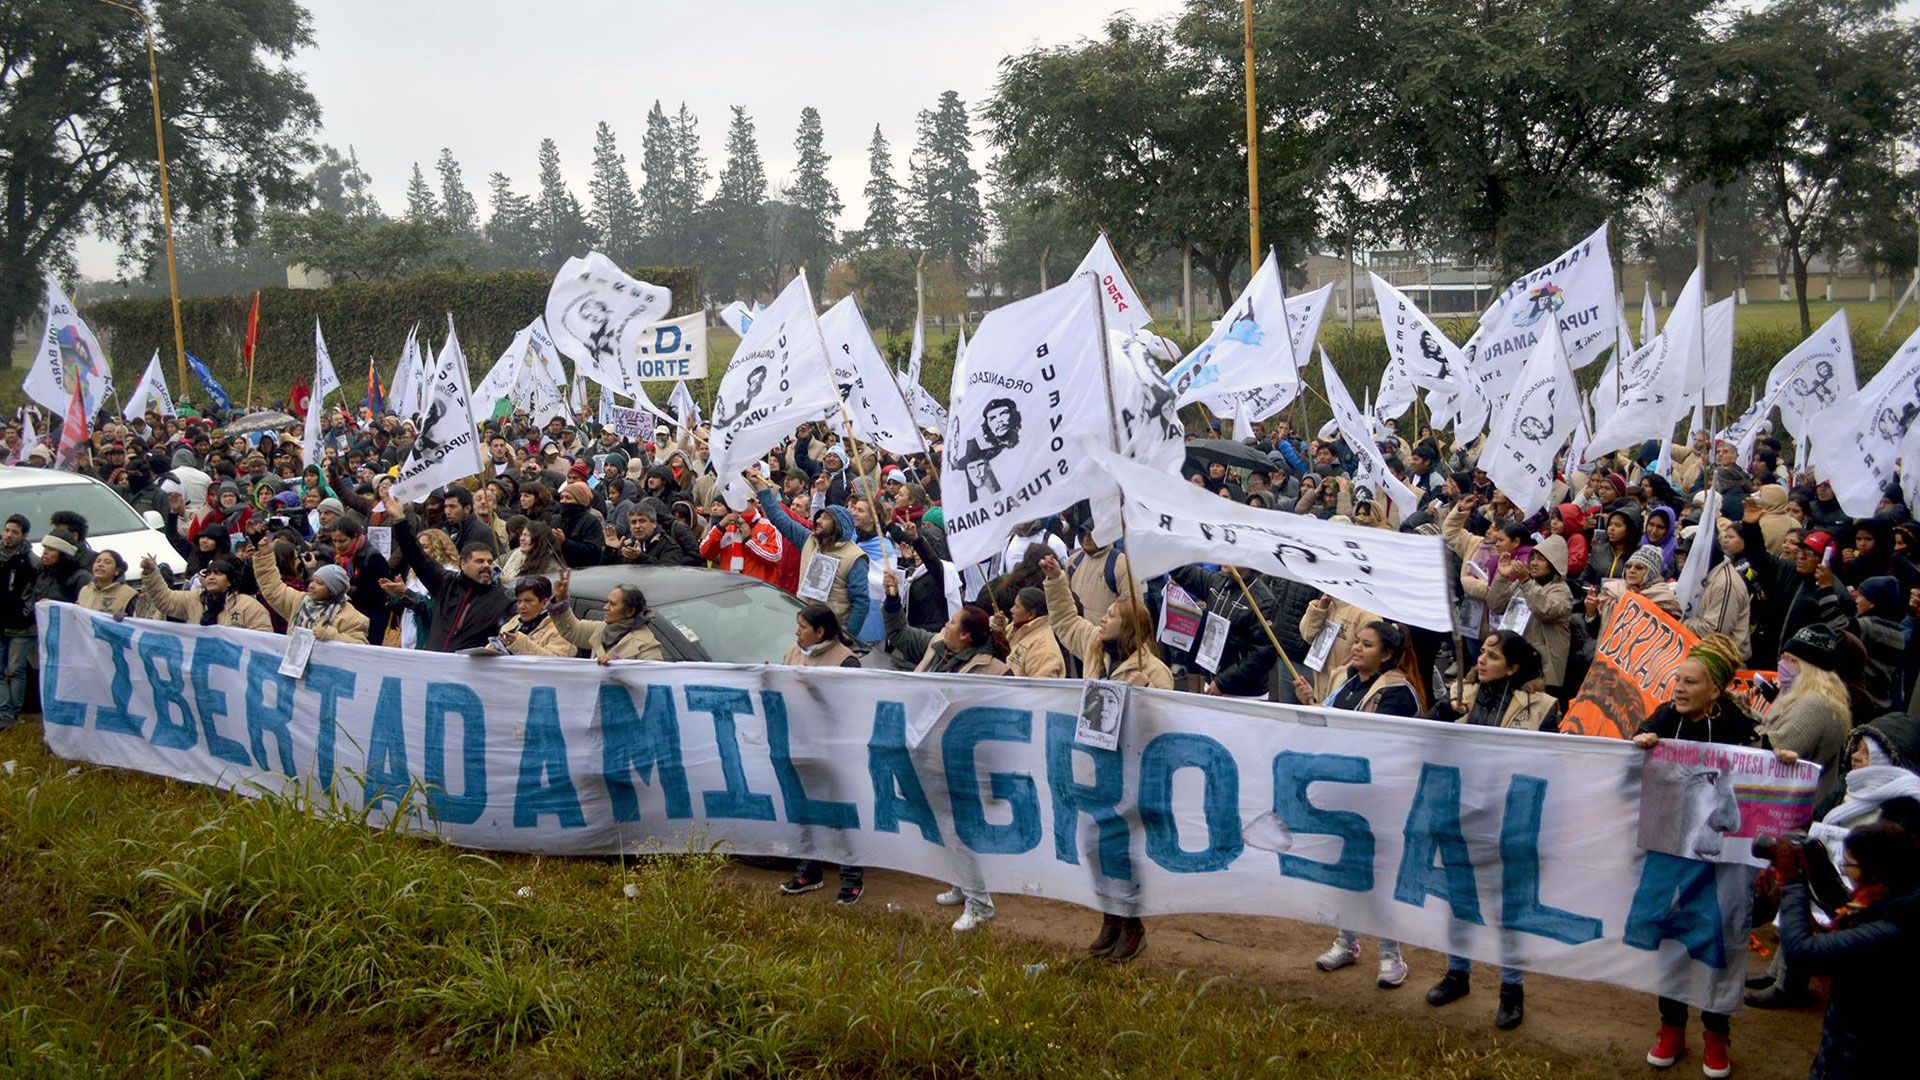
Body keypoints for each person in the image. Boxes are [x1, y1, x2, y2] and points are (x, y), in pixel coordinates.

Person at [1631, 633, 1763, 1078]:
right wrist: (1643, 741)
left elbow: (1763, 783)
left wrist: (1782, 761)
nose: (1679, 689)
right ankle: (1670, 1028)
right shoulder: (1666, 716)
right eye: (1677, 680)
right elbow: (1633, 749)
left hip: (1718, 859)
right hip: (1670, 852)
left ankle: (1715, 1034)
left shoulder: (1740, 727)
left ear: (1717, 691)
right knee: (1671, 939)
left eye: (1690, 682)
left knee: (1717, 943)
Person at [1037, 551, 1169, 961]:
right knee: (1093, 846)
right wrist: (1057, 580)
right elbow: (1064, 622)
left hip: (1130, 774)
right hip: (1095, 768)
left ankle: (1133, 925)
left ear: (1128, 627)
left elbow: (1165, 726)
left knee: (1122, 850)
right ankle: (1109, 918)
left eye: (1111, 615)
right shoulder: (1094, 649)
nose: (1102, 619)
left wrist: (1148, 698)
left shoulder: (1154, 671)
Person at [1294, 620, 1427, 989]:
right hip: (1346, 794)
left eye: (1366, 645)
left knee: (1379, 876)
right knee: (1347, 870)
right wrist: (1313, 706)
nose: (1356, 649)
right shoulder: (1346, 682)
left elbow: (1377, 744)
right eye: (1356, 642)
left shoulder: (1398, 692)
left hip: (1382, 798)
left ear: (1386, 655)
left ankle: (1391, 955)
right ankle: (1346, 941)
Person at [1773, 820, 1920, 1080]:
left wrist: (1793, 880)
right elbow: (1850, 907)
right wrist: (1818, 867)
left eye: (1848, 865)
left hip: (1865, 1056)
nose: (1846, 871)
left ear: (1873, 871)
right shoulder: (1899, 895)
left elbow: (1801, 952)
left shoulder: (1892, 929)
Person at [776, 602, 868, 905]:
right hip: (800, 745)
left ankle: (852, 877)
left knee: (841, 814)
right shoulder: (793, 652)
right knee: (806, 810)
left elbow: (851, 709)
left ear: (821, 631)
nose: (796, 632)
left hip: (835, 750)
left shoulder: (846, 661)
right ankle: (809, 870)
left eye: (802, 627)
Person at [749, 471, 870, 632]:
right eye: (818, 517)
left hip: (833, 632)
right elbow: (779, 518)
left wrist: (848, 636)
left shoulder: (855, 558)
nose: (818, 521)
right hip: (804, 626)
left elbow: (861, 603)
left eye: (825, 518)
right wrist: (761, 487)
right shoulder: (809, 540)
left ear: (838, 524)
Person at [382, 509, 512, 653]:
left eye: (489, 561)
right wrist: (400, 519)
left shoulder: (502, 597)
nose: (487, 565)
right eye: (480, 561)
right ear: (463, 564)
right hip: (434, 664)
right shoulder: (446, 583)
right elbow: (416, 556)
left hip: (469, 671)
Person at [1761, 624, 1854, 807]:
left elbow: (1776, 746)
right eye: (1783, 658)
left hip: (1791, 807)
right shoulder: (1799, 691)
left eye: (1792, 660)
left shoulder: (1815, 704)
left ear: (1811, 667)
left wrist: (1741, 722)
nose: (1783, 665)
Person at [1487, 534, 1574, 693]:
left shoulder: (1561, 590)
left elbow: (1546, 611)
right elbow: (1496, 605)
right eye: (1532, 557)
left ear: (1553, 563)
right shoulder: (1524, 583)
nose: (1533, 562)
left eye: (1540, 559)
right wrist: (1502, 576)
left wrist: (1526, 582)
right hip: (1516, 659)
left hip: (1542, 669)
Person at [250, 541, 369, 641]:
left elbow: (359, 649)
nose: (312, 586)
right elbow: (273, 589)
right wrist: (265, 557)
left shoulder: (353, 618)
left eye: (320, 583)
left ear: (334, 589)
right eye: (312, 581)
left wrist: (332, 636)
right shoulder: (299, 601)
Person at [546, 570, 663, 663]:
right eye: (607, 602)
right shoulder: (601, 629)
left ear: (630, 611)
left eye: (612, 604)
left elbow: (651, 681)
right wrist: (560, 600)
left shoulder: (647, 645)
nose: (605, 607)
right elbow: (571, 630)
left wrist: (620, 667)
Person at [136, 553, 271, 630]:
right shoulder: (193, 598)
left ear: (229, 581)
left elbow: (262, 639)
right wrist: (152, 573)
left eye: (218, 574)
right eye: (209, 574)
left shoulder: (248, 606)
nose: (211, 577)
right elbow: (165, 599)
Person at [0, 515, 37, 729]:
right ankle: (4, 713)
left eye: (15, 532)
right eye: (7, 530)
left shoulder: (31, 560)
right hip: (1, 622)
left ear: (23, 535)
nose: (9, 535)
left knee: (15, 670)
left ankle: (13, 713)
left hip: (22, 626)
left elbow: (36, 590)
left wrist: (24, 611)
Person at [994, 586, 1065, 679]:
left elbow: (1042, 689)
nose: (1011, 610)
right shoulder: (1017, 627)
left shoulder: (1043, 649)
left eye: (1017, 606)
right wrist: (1000, 629)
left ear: (1031, 614)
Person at [499, 576, 575, 657]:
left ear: (544, 603)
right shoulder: (514, 622)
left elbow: (556, 664)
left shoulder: (562, 630)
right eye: (519, 601)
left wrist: (520, 643)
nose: (521, 606)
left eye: (528, 601)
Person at [76, 551, 137, 616]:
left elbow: (137, 621)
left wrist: (126, 620)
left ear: (117, 570)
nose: (100, 565)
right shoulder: (85, 590)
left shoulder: (128, 594)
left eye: (107, 562)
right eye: (97, 561)